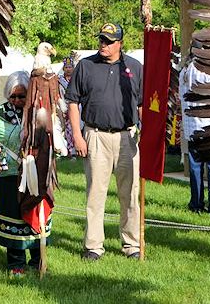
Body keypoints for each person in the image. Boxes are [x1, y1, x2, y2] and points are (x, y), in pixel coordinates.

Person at [65, 22, 143, 260]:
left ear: (120, 43)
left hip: (127, 136)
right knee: (95, 194)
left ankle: (131, 244)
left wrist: (145, 135)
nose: (104, 45)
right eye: (101, 40)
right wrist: (77, 135)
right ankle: (93, 246)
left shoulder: (134, 67)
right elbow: (72, 102)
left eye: (109, 41)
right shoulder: (85, 66)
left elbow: (143, 104)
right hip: (95, 135)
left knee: (129, 194)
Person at [0, 70, 47, 276]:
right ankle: (16, 264)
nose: (18, 100)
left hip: (35, 176)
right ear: (7, 95)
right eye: (14, 96)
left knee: (35, 215)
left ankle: (38, 260)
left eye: (23, 95)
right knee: (12, 218)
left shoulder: (38, 111)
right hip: (8, 175)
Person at [180, 57, 210, 215]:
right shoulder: (207, 73)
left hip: (193, 128)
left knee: (196, 169)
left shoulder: (184, 72)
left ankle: (196, 204)